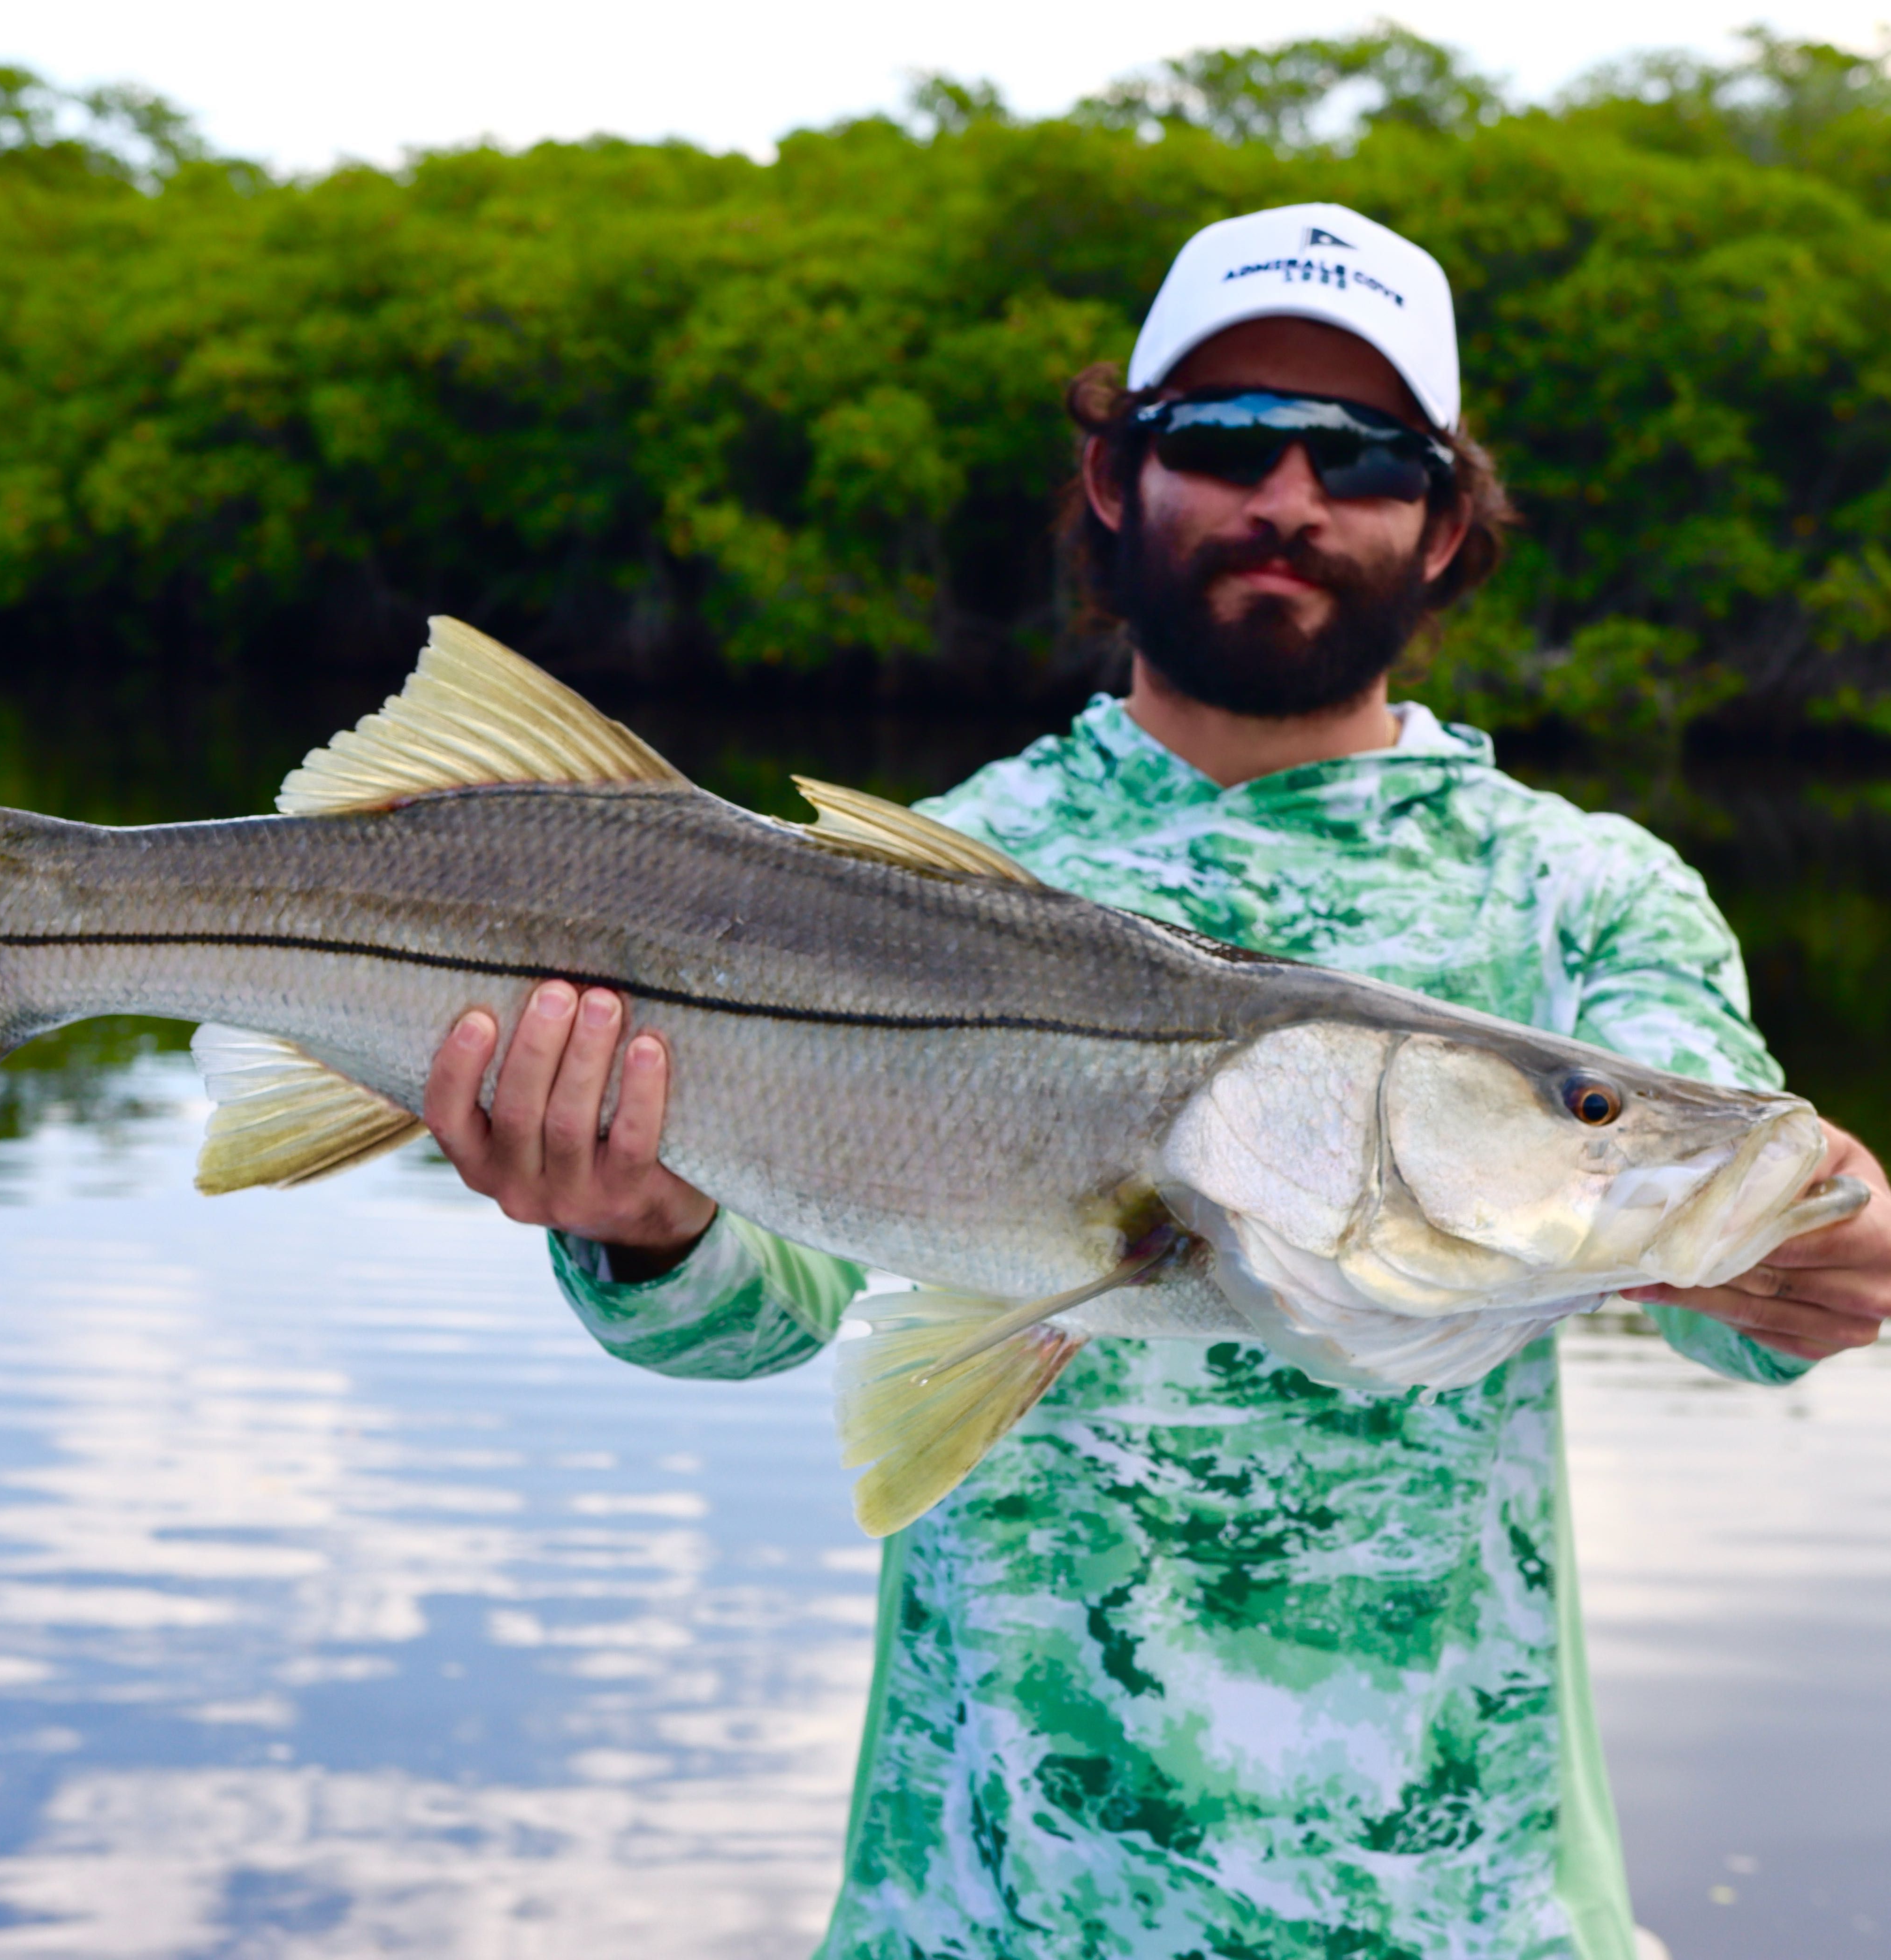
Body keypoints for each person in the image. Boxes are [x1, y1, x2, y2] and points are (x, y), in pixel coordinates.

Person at [422, 205, 1891, 1957]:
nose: (1290, 494)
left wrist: (1829, 1252)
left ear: (1444, 525)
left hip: (1463, 1915)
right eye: (1221, 437)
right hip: (980, 1906)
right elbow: (769, 1311)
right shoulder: (952, 859)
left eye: (1361, 454)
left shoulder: (1584, 894)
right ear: (1120, 478)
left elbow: (1731, 1269)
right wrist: (640, 1231)